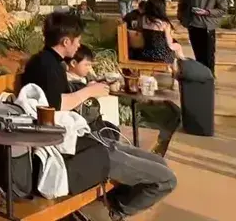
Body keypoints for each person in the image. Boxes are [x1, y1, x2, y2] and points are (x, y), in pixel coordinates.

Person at [21, 13, 177, 220]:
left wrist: (88, 88)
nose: (79, 45)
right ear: (66, 41)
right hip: (78, 152)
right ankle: (115, 211)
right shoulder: (46, 66)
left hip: (89, 140)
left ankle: (111, 201)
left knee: (161, 165)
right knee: (166, 179)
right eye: (77, 40)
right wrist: (89, 92)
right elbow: (53, 107)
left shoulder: (48, 62)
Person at [178, 0, 226, 76]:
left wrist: (207, 12)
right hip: (193, 26)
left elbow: (222, 10)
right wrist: (183, 20)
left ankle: (210, 76)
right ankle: (201, 75)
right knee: (198, 53)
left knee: (209, 55)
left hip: (207, 27)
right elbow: (181, 8)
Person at [135, 0, 186, 68]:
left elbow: (139, 36)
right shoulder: (165, 24)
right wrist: (178, 46)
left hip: (146, 55)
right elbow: (169, 44)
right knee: (178, 46)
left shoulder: (143, 19)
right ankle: (184, 67)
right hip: (163, 57)